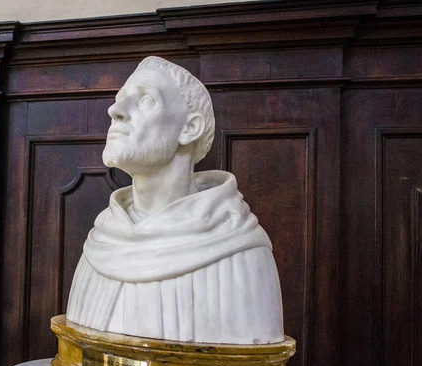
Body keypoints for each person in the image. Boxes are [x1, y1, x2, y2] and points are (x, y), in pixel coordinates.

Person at [66, 56, 284, 344]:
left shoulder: (241, 250)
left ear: (189, 128)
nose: (114, 110)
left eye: (146, 100)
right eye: (120, 99)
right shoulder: (101, 244)